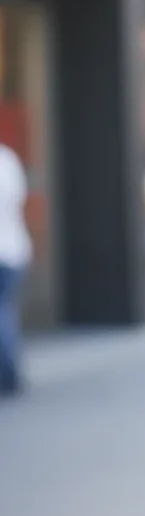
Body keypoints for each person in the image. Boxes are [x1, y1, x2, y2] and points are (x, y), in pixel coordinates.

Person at [0, 139, 32, 396]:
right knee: (6, 312)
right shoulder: (8, 159)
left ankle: (8, 374)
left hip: (8, 251)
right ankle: (9, 373)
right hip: (12, 251)